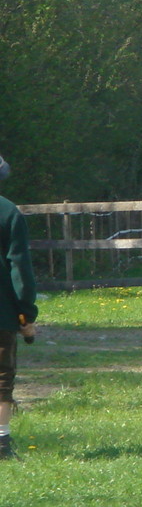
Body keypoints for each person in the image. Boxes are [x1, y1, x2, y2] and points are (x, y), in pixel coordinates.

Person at [0, 153, 38, 460]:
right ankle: (1, 444)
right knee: (1, 380)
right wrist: (26, 313)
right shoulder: (9, 212)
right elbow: (20, 268)